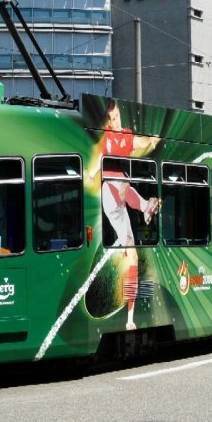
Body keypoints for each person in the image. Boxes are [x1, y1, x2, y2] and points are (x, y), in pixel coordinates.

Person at [88, 99, 160, 331]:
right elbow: (99, 159)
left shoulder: (127, 135)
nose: (115, 121)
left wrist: (153, 139)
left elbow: (141, 142)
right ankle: (144, 207)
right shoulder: (107, 136)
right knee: (122, 185)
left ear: (120, 114)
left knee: (134, 257)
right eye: (111, 118)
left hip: (119, 203)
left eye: (117, 116)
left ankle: (129, 319)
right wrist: (91, 174)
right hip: (110, 193)